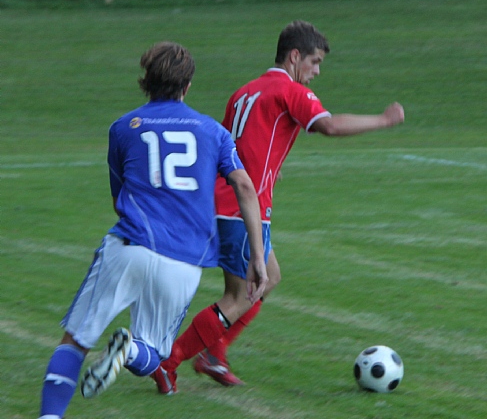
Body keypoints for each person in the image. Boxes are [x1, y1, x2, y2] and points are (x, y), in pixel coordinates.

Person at [27, 41, 268, 419]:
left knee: (75, 341)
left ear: (145, 82)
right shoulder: (213, 131)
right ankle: (130, 351)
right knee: (153, 355)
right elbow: (245, 187)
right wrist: (258, 259)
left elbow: (117, 194)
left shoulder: (123, 128)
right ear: (188, 86)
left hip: (130, 246)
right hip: (184, 262)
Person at [151, 20, 405, 394]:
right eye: (315, 62)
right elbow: (330, 126)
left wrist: (270, 166)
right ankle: (169, 362)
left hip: (222, 200)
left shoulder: (245, 92)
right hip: (242, 206)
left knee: (270, 276)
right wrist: (383, 120)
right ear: (295, 56)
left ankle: (214, 353)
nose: (316, 72)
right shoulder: (289, 90)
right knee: (240, 296)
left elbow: (228, 144)